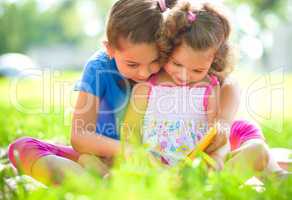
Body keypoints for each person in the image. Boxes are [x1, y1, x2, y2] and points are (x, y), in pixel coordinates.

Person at [7, 0, 178, 185]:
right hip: (101, 158)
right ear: (110, 49)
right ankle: (102, 186)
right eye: (132, 64)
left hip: (151, 162)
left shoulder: (170, 68)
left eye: (154, 61)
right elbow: (80, 136)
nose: (144, 73)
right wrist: (126, 150)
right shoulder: (99, 68)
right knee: (21, 148)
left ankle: (95, 185)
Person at [122, 1, 288, 177]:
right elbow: (129, 134)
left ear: (214, 62)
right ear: (165, 49)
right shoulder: (147, 87)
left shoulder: (209, 88)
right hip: (155, 171)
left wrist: (216, 160)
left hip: (197, 172)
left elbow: (217, 138)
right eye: (177, 64)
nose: (184, 75)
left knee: (257, 150)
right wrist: (147, 162)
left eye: (197, 70)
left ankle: (269, 174)